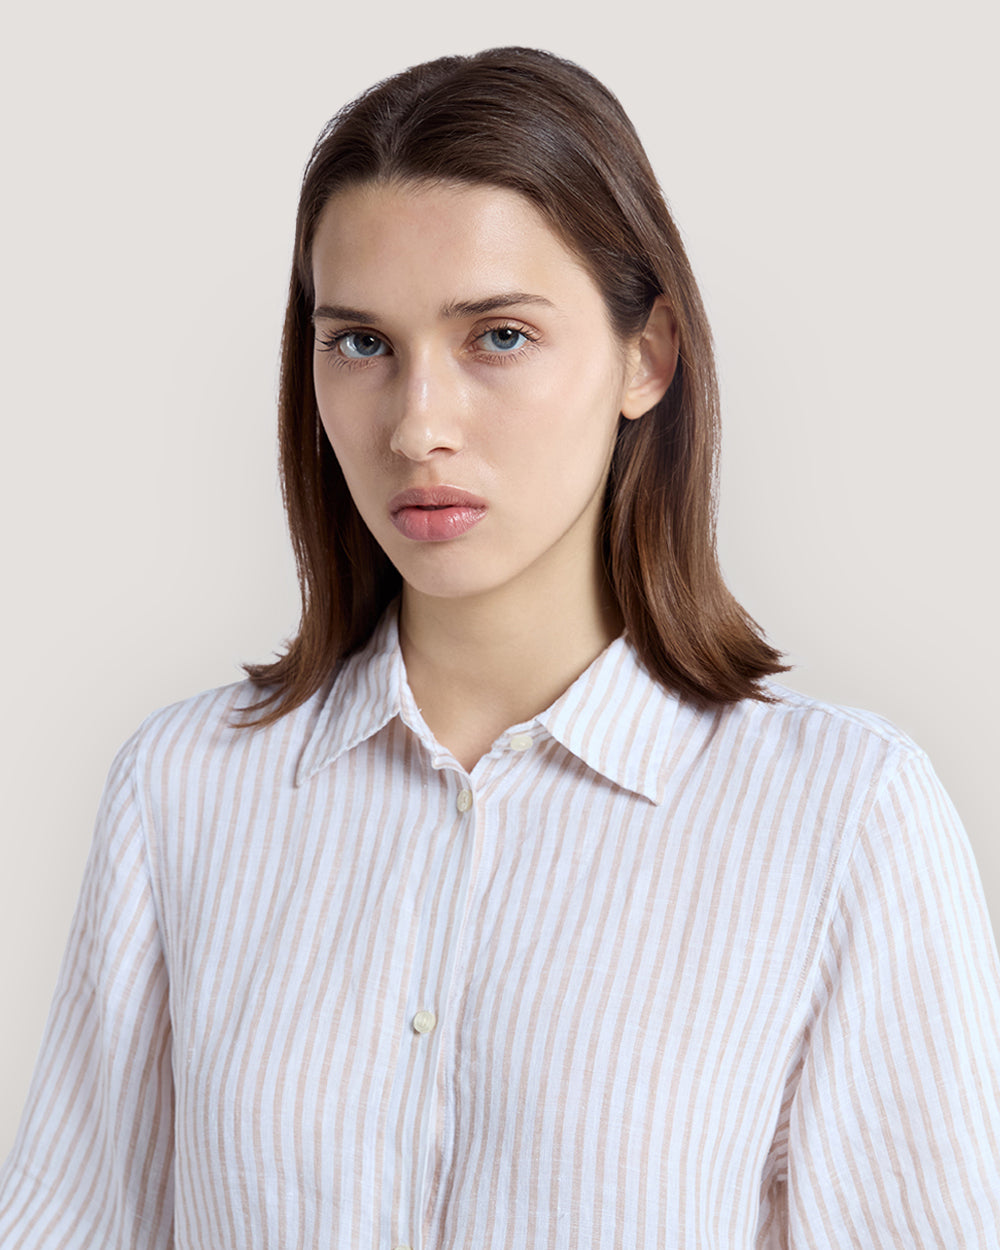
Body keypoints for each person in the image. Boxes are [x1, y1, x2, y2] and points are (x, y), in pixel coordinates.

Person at [1, 45, 998, 1250]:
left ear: (647, 355)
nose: (417, 425)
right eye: (361, 343)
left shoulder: (845, 819)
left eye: (500, 336)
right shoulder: (180, 789)